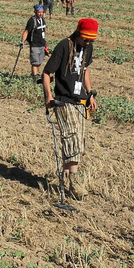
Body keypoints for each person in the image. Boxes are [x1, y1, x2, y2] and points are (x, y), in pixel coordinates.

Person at [41, 18, 98, 200]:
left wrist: (90, 94)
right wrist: (48, 96)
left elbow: (86, 70)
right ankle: (74, 182)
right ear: (78, 33)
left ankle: (65, 177)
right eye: (85, 39)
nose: (88, 42)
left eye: (91, 40)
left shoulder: (88, 48)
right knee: (71, 139)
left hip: (80, 101)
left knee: (78, 143)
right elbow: (46, 72)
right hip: (63, 100)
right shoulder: (64, 46)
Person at [21, 4, 48, 81]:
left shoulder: (43, 20)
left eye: (42, 12)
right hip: (34, 45)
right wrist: (22, 42)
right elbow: (26, 32)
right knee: (35, 62)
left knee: (39, 62)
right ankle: (35, 77)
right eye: (39, 12)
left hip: (42, 44)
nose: (41, 14)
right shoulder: (32, 21)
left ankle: (36, 74)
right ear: (35, 12)